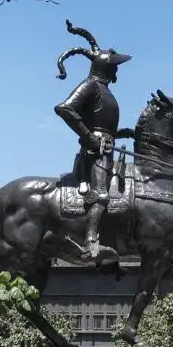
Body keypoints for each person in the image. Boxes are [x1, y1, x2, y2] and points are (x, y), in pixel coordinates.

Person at [53, 21, 132, 261]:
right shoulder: (91, 86)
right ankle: (90, 242)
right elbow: (65, 108)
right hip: (94, 154)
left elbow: (104, 128)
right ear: (106, 68)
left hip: (106, 149)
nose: (117, 71)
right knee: (101, 194)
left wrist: (126, 133)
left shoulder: (105, 91)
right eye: (115, 67)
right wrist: (89, 138)